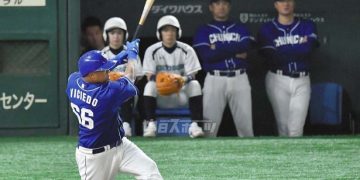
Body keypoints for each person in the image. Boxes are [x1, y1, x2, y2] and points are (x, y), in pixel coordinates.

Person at [66, 39, 163, 180]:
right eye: (103, 70)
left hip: (121, 145)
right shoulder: (107, 94)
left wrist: (116, 60)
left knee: (149, 170)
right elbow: (131, 77)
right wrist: (132, 56)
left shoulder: (73, 80)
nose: (107, 72)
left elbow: (89, 70)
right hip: (94, 157)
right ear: (92, 75)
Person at [193, 0, 255, 137]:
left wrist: (217, 47)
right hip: (215, 78)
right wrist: (234, 51)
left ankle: (251, 157)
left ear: (229, 6)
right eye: (217, 3)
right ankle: (206, 158)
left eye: (225, 3)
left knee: (246, 128)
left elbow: (245, 47)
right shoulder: (204, 30)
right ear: (211, 7)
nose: (221, 7)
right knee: (209, 128)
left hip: (239, 77)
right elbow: (207, 55)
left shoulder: (240, 27)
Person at [257, 0, 319, 137]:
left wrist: (281, 48)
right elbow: (271, 54)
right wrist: (299, 45)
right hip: (277, 78)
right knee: (283, 127)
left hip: (302, 79)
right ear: (275, 5)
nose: (286, 4)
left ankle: (295, 157)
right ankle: (285, 158)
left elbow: (308, 49)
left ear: (294, 3)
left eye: (289, 1)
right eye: (281, 1)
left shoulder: (307, 25)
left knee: (297, 128)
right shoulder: (267, 28)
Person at [142, 15, 204, 138]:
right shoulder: (152, 50)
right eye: (165, 30)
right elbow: (149, 76)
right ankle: (151, 125)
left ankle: (195, 125)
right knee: (149, 86)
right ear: (160, 33)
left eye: (172, 30)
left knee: (195, 85)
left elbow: (193, 74)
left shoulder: (187, 49)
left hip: (180, 95)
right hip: (162, 96)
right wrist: (166, 81)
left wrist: (182, 79)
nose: (169, 33)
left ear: (178, 32)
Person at [101, 17, 143, 137]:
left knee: (125, 87)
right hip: (107, 91)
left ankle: (126, 125)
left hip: (126, 92)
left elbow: (137, 77)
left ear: (124, 35)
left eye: (119, 33)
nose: (116, 36)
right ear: (106, 35)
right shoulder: (102, 54)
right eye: (112, 33)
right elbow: (98, 77)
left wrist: (131, 58)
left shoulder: (132, 52)